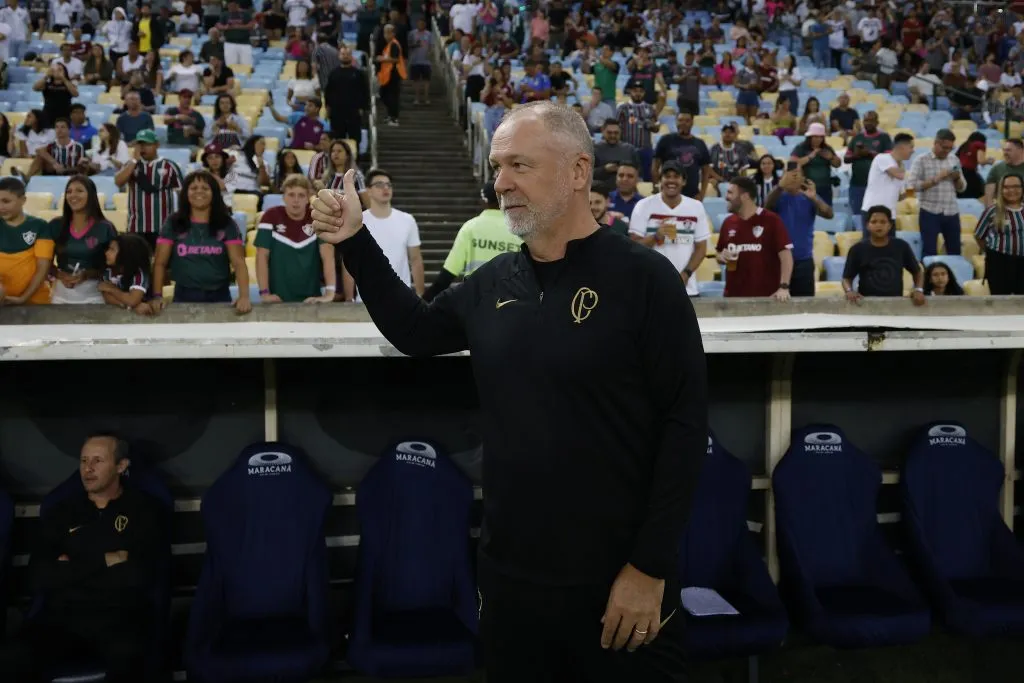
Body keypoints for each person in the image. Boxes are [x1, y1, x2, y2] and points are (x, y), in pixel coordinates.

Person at [311, 100, 704, 683]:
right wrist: (355, 240)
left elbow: (685, 426)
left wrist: (649, 568)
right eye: (497, 167)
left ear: (576, 171)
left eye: (519, 165)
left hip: (619, 578)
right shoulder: (492, 282)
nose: (501, 183)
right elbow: (416, 332)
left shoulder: (646, 280)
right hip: (511, 577)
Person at [0, 433, 168, 683]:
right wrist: (106, 560)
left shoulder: (144, 509)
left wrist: (71, 566)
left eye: (98, 461)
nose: (87, 469)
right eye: (83, 460)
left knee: (130, 655)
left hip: (120, 618)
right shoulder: (60, 511)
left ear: (121, 466)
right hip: (61, 620)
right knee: (11, 657)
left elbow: (137, 576)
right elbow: (38, 577)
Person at [152, 170, 250, 311]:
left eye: (205, 188)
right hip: (183, 295)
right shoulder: (173, 223)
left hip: (220, 295)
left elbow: (239, 263)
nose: (199, 192)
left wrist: (244, 296)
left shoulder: (227, 223)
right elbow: (160, 263)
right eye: (193, 188)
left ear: (214, 193)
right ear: (186, 193)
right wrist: (157, 295)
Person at [424, 181, 520, 302]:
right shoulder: (517, 230)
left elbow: (448, 274)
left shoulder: (470, 227)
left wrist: (424, 301)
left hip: (475, 302)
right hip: (508, 302)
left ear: (483, 201)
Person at [628, 161, 711, 297]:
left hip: (687, 289)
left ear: (683, 181)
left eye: (676, 176)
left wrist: (686, 274)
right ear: (660, 180)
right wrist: (655, 237)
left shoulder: (696, 207)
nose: (671, 180)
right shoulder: (643, 206)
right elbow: (633, 246)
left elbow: (701, 248)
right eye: (667, 176)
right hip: (652, 288)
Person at [343, 169, 424, 300]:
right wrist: (348, 298)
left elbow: (415, 259)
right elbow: (349, 262)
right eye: (379, 185)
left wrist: (420, 295)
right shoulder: (359, 221)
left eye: (388, 185)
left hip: (402, 298)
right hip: (367, 299)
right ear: (368, 190)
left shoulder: (407, 220)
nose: (385, 188)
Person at [255, 173, 337, 303]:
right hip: (278, 300)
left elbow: (327, 256)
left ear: (308, 198)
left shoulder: (317, 218)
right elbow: (261, 256)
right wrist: (264, 293)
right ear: (284, 197)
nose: (296, 200)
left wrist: (329, 293)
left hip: (311, 300)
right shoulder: (270, 216)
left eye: (301, 195)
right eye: (291, 195)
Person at [716, 176, 793, 300]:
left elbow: (786, 255)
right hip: (733, 298)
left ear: (745, 196)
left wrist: (784, 287)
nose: (726, 197)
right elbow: (719, 253)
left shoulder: (771, 220)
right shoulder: (728, 222)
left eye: (730, 193)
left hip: (766, 298)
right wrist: (721, 256)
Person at [765, 168, 833, 297]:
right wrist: (780, 186)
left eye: (797, 175)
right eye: (789, 175)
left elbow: (829, 214)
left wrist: (814, 198)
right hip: (778, 260)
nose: (793, 178)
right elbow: (765, 208)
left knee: (805, 305)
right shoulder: (777, 196)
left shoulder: (808, 196)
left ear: (803, 179)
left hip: (803, 261)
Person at [49, 175, 117, 304]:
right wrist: (59, 275)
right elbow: (44, 262)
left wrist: (88, 274)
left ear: (91, 195)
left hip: (95, 295)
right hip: (60, 295)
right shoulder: (55, 225)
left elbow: (114, 266)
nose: (73, 195)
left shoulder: (105, 228)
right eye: (69, 191)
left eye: (79, 190)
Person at [115, 129, 184, 252]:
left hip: (162, 226)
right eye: (140, 144)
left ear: (157, 145)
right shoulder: (130, 165)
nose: (143, 148)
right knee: (136, 264)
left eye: (147, 144)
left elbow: (182, 193)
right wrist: (134, 161)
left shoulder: (169, 165)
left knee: (161, 264)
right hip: (136, 226)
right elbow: (118, 181)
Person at [843, 205, 925, 304]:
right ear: (867, 225)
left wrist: (918, 290)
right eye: (874, 222)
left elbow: (917, 272)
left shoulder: (901, 246)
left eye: (883, 222)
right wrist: (849, 291)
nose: (878, 225)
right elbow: (846, 278)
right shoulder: (857, 249)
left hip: (896, 304)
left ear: (890, 225)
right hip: (865, 304)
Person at [906, 129, 966, 257]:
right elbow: (911, 186)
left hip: (951, 211)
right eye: (944, 147)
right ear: (936, 143)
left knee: (955, 251)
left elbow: (962, 188)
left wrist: (956, 178)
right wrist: (935, 180)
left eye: (950, 148)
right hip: (929, 212)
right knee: (929, 252)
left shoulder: (954, 159)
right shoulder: (921, 160)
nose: (947, 151)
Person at [0, 176, 53, 305]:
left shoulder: (40, 226)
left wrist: (23, 298)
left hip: (35, 300)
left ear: (23, 200)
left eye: (6, 201)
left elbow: (43, 266)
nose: (1, 207)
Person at [974, 173, 1024, 295]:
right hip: (999, 264)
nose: (1011, 190)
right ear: (1001, 190)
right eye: (1006, 187)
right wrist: (992, 252)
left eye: (1016, 186)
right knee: (1001, 300)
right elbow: (979, 236)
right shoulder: (992, 211)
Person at [860, 132, 914, 219]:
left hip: (890, 215)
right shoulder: (882, 158)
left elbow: (899, 197)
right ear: (901, 147)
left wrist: (914, 191)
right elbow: (899, 175)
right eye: (911, 147)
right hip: (872, 212)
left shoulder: (901, 167)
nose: (913, 151)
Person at [99, 232, 155, 314]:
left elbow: (133, 299)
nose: (106, 253)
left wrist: (112, 289)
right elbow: (108, 298)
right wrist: (131, 306)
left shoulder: (139, 273)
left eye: (112, 250)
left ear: (126, 254)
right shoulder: (108, 272)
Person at [376, 23, 407, 126]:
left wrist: (383, 59)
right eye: (385, 33)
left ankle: (394, 118)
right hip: (387, 75)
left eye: (389, 33)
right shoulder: (388, 45)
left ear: (393, 33)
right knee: (384, 94)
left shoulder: (394, 44)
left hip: (394, 74)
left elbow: (396, 59)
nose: (386, 35)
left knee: (392, 97)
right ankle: (390, 115)